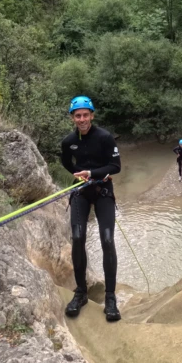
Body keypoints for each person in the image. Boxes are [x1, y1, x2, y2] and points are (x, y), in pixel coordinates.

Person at [60, 96, 122, 322]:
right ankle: (81, 293)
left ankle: (110, 297)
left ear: (92, 115)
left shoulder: (105, 137)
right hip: (80, 190)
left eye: (86, 115)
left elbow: (116, 166)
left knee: (107, 239)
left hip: (103, 189)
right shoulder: (68, 141)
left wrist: (91, 173)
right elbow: (66, 162)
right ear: (72, 118)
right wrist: (78, 171)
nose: (82, 119)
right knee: (77, 237)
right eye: (78, 116)